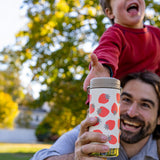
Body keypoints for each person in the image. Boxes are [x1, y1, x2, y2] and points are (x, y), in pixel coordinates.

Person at [31, 71, 160, 160]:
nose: (131, 112)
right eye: (126, 99)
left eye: (145, 105)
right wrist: (76, 157)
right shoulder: (89, 133)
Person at [83, 0, 160, 92]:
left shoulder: (157, 34)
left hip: (147, 97)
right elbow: (107, 50)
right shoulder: (115, 34)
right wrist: (104, 67)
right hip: (115, 99)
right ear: (110, 12)